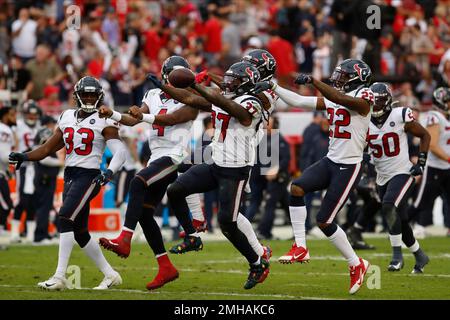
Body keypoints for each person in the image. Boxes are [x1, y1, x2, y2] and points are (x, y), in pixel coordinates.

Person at [255, 59, 374, 294]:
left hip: (349, 166)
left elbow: (342, 100)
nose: (338, 79)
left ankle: (356, 264)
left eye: (343, 76)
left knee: (324, 221)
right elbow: (299, 100)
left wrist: (314, 81)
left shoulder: (365, 96)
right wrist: (274, 86)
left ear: (356, 78)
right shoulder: (335, 95)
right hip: (331, 160)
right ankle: (300, 246)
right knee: (296, 188)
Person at [9, 76, 127, 290]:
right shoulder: (66, 116)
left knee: (64, 216)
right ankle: (110, 275)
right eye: (86, 94)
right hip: (71, 174)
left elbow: (121, 152)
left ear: (99, 96)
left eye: (93, 94)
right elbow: (47, 149)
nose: (89, 97)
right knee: (80, 232)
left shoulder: (105, 119)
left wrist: (109, 172)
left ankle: (60, 276)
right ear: (77, 96)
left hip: (90, 175)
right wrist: (25, 156)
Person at [98, 56, 204, 290]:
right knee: (145, 214)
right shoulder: (152, 95)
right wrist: (113, 114)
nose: (181, 80)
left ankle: (125, 239)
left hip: (177, 155)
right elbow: (132, 119)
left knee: (138, 182)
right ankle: (166, 266)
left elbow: (173, 119)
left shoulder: (193, 99)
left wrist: (143, 116)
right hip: (158, 157)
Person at [164, 61, 271, 290]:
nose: (228, 83)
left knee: (227, 223)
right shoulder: (224, 97)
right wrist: (166, 87)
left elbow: (234, 110)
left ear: (245, 84)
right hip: (216, 164)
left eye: (233, 80)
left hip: (235, 170)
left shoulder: (252, 102)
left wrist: (199, 85)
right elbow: (190, 99)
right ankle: (192, 236)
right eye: (228, 78)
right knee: (176, 190)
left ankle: (257, 263)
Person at [364, 82, 430, 273]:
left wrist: (421, 163)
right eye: (373, 102)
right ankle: (420, 255)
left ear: (387, 101)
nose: (375, 106)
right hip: (381, 176)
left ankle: (396, 256)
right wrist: (363, 156)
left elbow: (424, 135)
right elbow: (358, 146)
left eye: (379, 102)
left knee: (388, 205)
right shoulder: (363, 119)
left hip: (402, 172)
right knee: (399, 219)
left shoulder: (399, 115)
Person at [410, 87, 450, 237]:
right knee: (421, 203)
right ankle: (399, 227)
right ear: (442, 102)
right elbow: (432, 144)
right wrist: (448, 158)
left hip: (447, 167)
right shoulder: (434, 117)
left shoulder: (446, 117)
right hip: (435, 167)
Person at [10, 100, 41, 243]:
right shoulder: (18, 126)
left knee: (33, 201)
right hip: (22, 167)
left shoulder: (40, 128)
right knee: (22, 199)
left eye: (35, 115)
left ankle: (29, 234)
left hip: (35, 167)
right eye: (30, 114)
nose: (32, 117)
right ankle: (14, 232)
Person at [33, 117, 63, 244]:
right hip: (44, 177)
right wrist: (61, 162)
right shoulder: (45, 134)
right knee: (44, 207)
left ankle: (44, 233)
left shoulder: (48, 134)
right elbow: (42, 157)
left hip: (48, 177)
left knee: (47, 206)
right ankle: (40, 235)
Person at [0, 107, 16, 235]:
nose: (14, 117)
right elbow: (4, 155)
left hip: (2, 172)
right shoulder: (5, 130)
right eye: (11, 114)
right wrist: (19, 158)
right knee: (6, 205)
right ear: (5, 116)